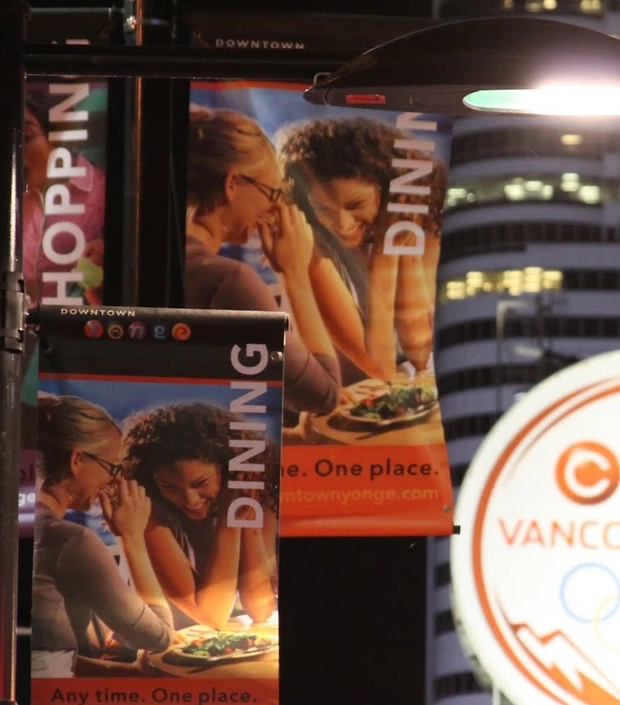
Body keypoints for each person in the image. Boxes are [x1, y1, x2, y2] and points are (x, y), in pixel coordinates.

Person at [184, 105, 340, 417]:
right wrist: (295, 274)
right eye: (271, 193)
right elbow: (324, 395)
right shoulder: (228, 281)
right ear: (232, 184)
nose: (273, 208)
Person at [277, 116, 447, 383]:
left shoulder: (420, 225)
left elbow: (419, 353)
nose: (342, 225)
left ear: (389, 191)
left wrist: (394, 248)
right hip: (341, 394)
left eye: (355, 205)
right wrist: (383, 260)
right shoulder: (308, 243)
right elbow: (379, 368)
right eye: (322, 209)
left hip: (399, 389)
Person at [31, 395, 176, 678]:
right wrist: (132, 537)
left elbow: (47, 655)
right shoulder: (72, 541)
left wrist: (131, 673)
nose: (114, 480)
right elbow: (158, 637)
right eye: (112, 468)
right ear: (76, 459)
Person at [120, 401, 278, 631]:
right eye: (169, 487)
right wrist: (228, 524)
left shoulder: (255, 497)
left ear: (227, 470)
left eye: (200, 483)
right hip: (163, 643)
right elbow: (211, 615)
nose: (190, 500)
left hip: (221, 641)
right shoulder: (148, 515)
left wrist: (243, 513)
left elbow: (260, 609)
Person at [21, 90, 107, 306]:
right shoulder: (10, 200)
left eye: (26, 137)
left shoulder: (102, 192)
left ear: (57, 136)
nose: (14, 149)